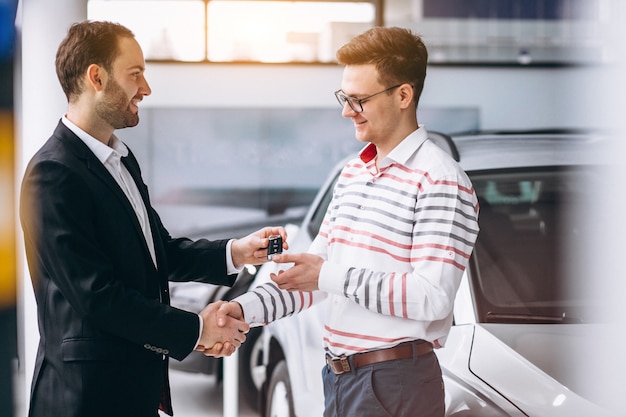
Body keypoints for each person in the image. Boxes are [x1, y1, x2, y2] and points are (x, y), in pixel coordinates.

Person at [19, 20, 286, 417]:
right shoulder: (53, 174)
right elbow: (97, 297)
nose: (145, 89)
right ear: (97, 77)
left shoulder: (121, 161)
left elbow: (157, 252)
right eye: (136, 74)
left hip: (132, 389)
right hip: (85, 399)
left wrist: (237, 253)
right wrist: (197, 329)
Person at [216, 26, 480, 417]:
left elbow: (432, 296)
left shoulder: (440, 179)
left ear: (403, 95)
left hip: (396, 383)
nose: (346, 111)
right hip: (341, 379)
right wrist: (244, 311)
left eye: (358, 99)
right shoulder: (354, 173)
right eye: (344, 97)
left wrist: (328, 275)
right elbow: (312, 274)